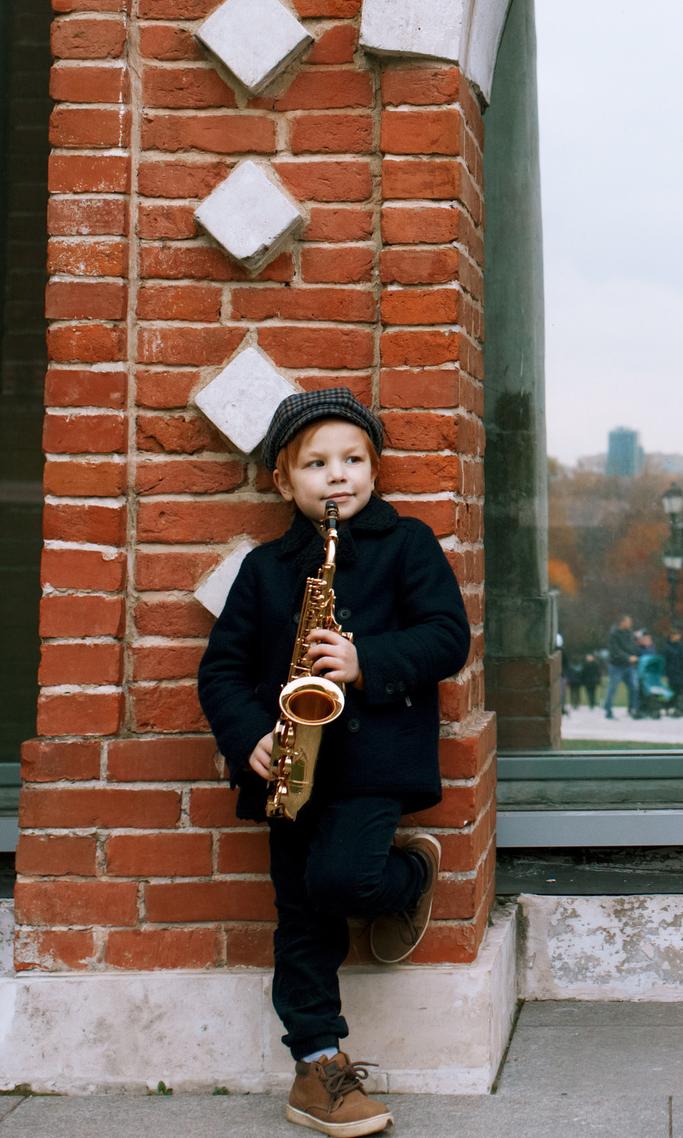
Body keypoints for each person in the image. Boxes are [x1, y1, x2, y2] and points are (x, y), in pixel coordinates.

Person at [196, 387, 468, 1138]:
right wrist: (249, 733)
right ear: (285, 482)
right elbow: (218, 672)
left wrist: (364, 658)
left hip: (373, 763)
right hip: (287, 771)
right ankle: (318, 1063)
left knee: (341, 879)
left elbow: (449, 637)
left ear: (374, 472)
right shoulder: (266, 568)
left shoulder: (407, 544)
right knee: (302, 917)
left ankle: (409, 872)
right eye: (315, 463)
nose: (336, 475)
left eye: (353, 459)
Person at [602, 614, 640, 719]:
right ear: (621, 622)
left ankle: (633, 709)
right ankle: (608, 711)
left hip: (628, 666)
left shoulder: (630, 634)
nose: (630, 624)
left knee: (634, 688)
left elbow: (632, 647)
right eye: (628, 621)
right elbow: (615, 651)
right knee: (612, 689)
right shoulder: (614, 634)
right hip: (616, 666)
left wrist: (633, 657)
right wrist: (628, 657)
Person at [662, 626, 683, 715]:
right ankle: (669, 708)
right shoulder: (667, 647)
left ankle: (678, 708)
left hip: (680, 672)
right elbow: (665, 661)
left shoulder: (681, 647)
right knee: (672, 691)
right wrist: (665, 674)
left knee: (681, 691)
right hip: (671, 673)